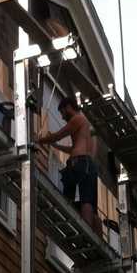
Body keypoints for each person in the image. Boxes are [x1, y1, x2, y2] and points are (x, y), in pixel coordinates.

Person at [37, 96, 101, 237]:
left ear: (68, 107)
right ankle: (95, 235)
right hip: (89, 165)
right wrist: (55, 146)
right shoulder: (88, 127)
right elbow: (75, 148)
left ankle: (84, 233)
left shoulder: (77, 119)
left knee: (71, 200)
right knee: (89, 201)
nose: (62, 116)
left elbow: (58, 135)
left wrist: (41, 140)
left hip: (78, 163)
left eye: (62, 112)